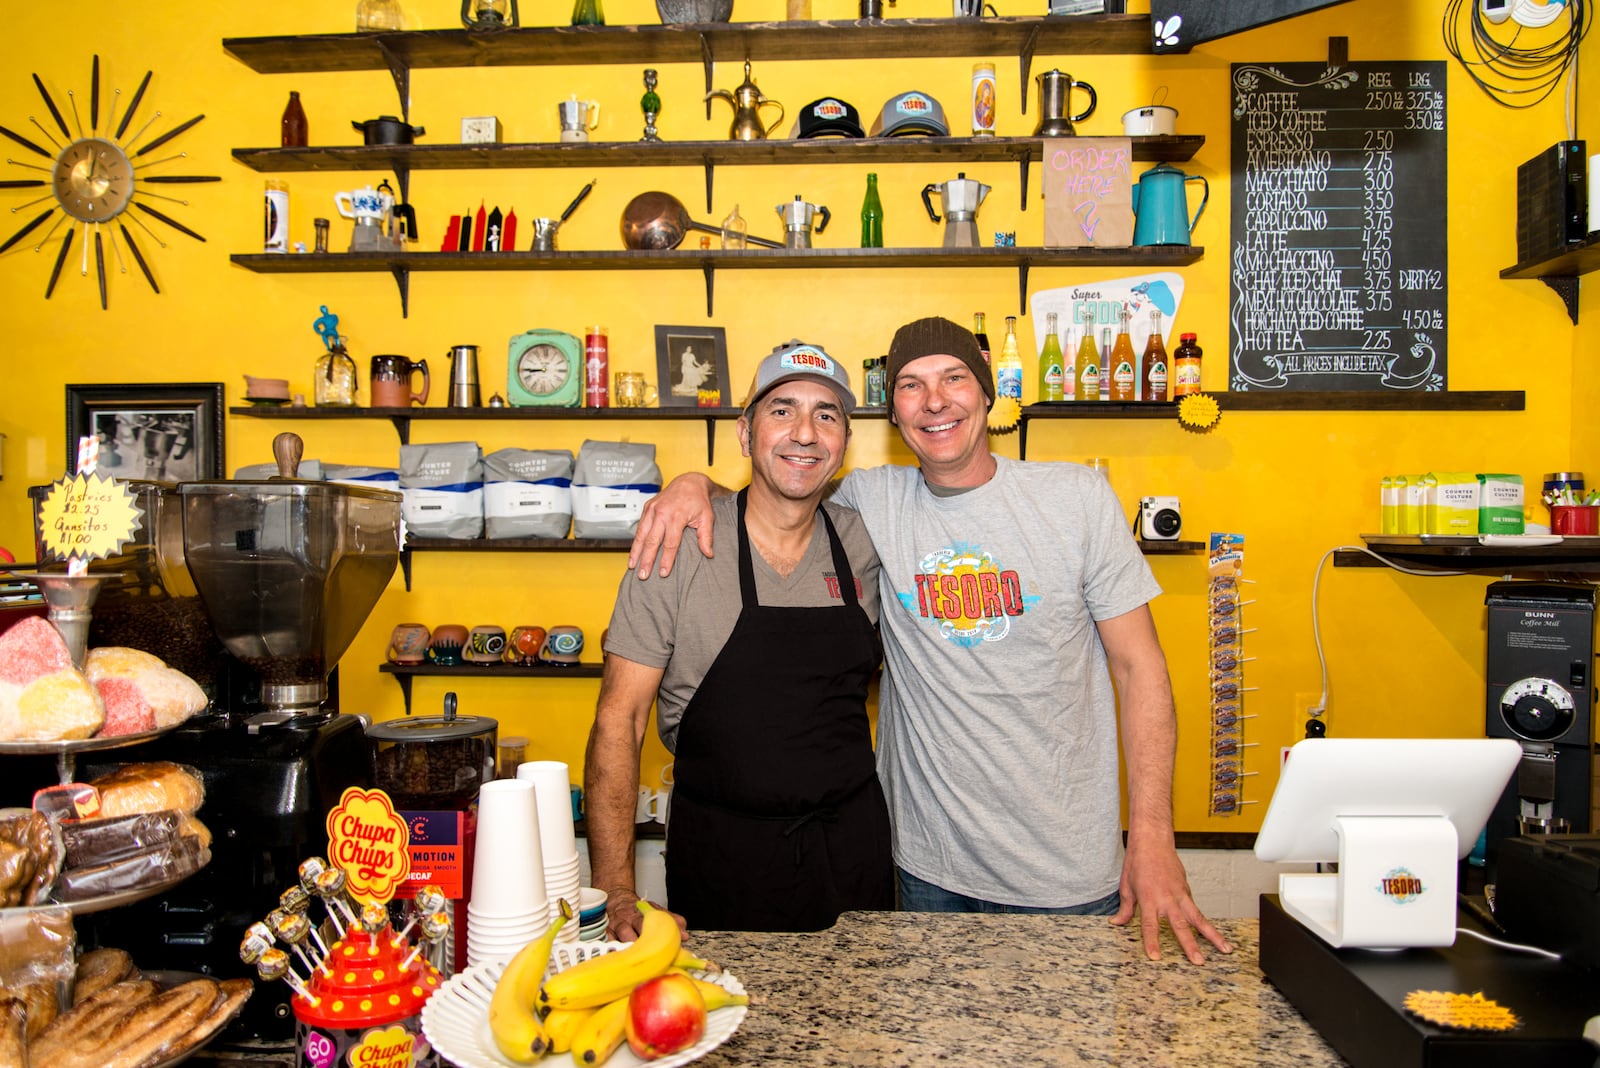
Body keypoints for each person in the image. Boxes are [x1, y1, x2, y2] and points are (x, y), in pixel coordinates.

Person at [631, 317, 1232, 964]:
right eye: (912, 386)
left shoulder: (1077, 500)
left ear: (987, 394)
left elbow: (1141, 670)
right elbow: (777, 486)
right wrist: (692, 485)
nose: (935, 400)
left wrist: (1151, 835)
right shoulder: (869, 502)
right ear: (893, 415)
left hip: (1069, 875)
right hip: (925, 874)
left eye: (954, 379)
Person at [586, 340, 892, 940]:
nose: (805, 432)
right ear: (745, 434)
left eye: (826, 415)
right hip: (722, 859)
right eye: (782, 411)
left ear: (843, 444)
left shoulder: (862, 540)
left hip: (853, 853)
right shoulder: (675, 544)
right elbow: (617, 722)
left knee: (863, 1031)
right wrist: (616, 891)